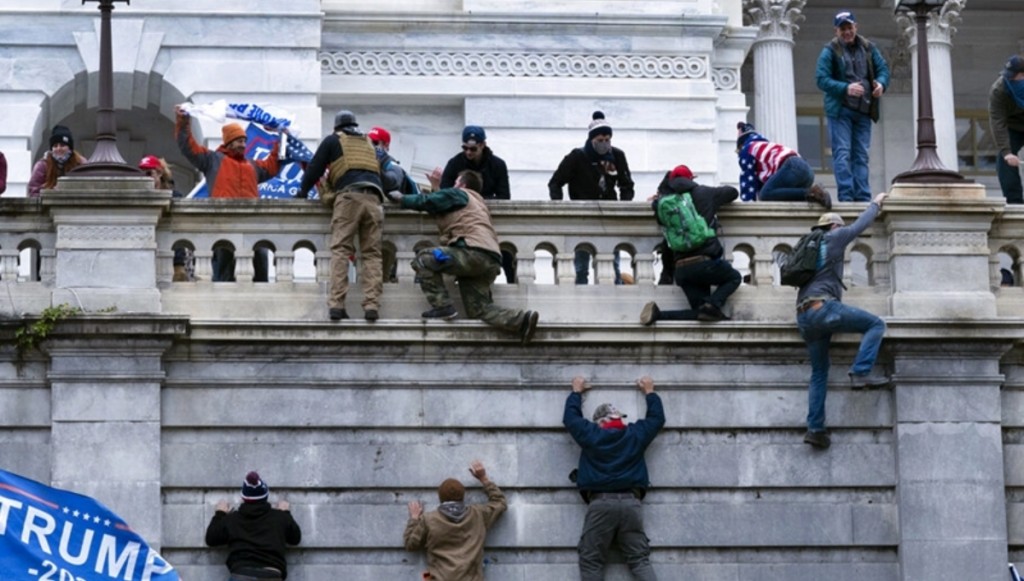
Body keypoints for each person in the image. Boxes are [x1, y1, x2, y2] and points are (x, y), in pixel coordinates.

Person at [395, 169, 539, 344]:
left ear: (462, 184)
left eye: (456, 182)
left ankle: (443, 307)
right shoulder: (478, 203)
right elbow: (443, 207)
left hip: (472, 252)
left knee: (424, 259)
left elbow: (430, 202)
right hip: (490, 259)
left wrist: (402, 199)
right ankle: (521, 321)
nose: (454, 185)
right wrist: (436, 187)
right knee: (479, 309)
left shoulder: (459, 193)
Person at [797, 194, 890, 450]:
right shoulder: (835, 237)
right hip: (824, 308)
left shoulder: (810, 244)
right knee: (875, 325)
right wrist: (877, 203)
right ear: (835, 226)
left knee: (819, 373)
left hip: (804, 315)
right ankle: (860, 372)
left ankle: (815, 429)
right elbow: (859, 226)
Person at [564, 375, 664, 581]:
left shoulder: (591, 434)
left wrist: (576, 392)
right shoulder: (635, 434)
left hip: (600, 503)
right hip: (631, 504)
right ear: (613, 418)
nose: (622, 420)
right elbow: (657, 419)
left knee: (591, 561)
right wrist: (650, 392)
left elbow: (571, 419)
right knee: (639, 560)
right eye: (619, 417)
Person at [297, 110, 385, 322]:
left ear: (337, 127)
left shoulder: (333, 140)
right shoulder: (369, 144)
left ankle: (337, 304)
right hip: (374, 199)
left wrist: (301, 192)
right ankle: (371, 305)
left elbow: (314, 169)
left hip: (349, 197)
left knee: (341, 249)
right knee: (372, 254)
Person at [175, 106, 277, 282]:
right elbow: (188, 146)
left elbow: (273, 165)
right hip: (222, 227)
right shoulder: (212, 159)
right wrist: (183, 121)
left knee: (260, 264)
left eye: (244, 141)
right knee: (224, 275)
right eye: (239, 141)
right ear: (229, 142)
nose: (243, 145)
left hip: (252, 227)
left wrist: (280, 137)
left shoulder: (252, 166)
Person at [640, 165, 741, 325]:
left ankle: (659, 315)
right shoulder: (704, 193)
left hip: (681, 269)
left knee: (701, 313)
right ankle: (714, 304)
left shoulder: (663, 203)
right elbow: (733, 193)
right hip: (705, 263)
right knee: (734, 277)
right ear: (691, 179)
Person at [549, 111, 635, 284]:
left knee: (612, 264)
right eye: (600, 141)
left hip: (610, 215)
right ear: (592, 140)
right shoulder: (577, 156)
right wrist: (560, 206)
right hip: (582, 217)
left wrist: (623, 206)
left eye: (608, 140)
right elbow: (556, 182)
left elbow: (626, 184)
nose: (605, 144)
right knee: (581, 265)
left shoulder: (617, 156)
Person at [815, 10, 890, 202]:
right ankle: (846, 197)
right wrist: (845, 88)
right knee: (842, 153)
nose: (847, 32)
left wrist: (881, 83)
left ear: (856, 27)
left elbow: (882, 69)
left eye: (849, 27)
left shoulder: (868, 48)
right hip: (841, 111)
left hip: (863, 111)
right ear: (836, 31)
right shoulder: (829, 51)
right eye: (842, 29)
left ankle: (863, 197)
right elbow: (821, 80)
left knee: (861, 155)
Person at [430, 125, 515, 283]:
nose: (468, 152)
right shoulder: (455, 163)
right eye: (465, 148)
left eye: (473, 149)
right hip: (462, 221)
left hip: (485, 219)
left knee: (506, 255)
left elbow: (504, 196)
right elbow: (445, 194)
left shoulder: (497, 165)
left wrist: (474, 199)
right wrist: (435, 187)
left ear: (483, 145)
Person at [403, 460, 507, 581]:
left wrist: (414, 519)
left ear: (440, 497)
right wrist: (483, 478)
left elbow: (411, 545)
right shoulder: (478, 515)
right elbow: (500, 503)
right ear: (462, 496)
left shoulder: (429, 520)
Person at [205, 471, 302, 581]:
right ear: (265, 496)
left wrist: (220, 513)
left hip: (241, 574)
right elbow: (295, 538)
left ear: (244, 498)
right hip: (271, 575)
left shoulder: (232, 519)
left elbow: (211, 539)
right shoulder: (279, 518)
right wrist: (285, 514)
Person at [736, 122, 831, 209]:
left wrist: (748, 205)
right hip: (807, 171)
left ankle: (812, 193)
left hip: (792, 167)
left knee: (765, 195)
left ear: (741, 145)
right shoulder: (764, 146)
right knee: (780, 195)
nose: (738, 154)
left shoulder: (747, 149)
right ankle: (816, 195)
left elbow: (748, 179)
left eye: (738, 150)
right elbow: (764, 185)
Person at [140, 155, 191, 282]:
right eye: (143, 175)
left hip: (175, 257)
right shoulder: (141, 197)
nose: (146, 178)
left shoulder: (175, 196)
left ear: (159, 173)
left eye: (149, 173)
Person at [989, 54, 1024, 204]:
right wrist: (1007, 152)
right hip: (1013, 126)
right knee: (1004, 159)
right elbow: (998, 121)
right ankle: (1015, 201)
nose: (1009, 79)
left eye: (1013, 76)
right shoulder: (999, 89)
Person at [27, 125, 87, 197]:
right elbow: (33, 191)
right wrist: (50, 191)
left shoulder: (80, 163)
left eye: (62, 145)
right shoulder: (42, 165)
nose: (58, 149)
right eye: (55, 146)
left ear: (70, 148)